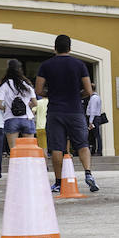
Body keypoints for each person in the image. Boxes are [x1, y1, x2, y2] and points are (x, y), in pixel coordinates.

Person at [35, 34, 98, 193]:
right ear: (70, 48)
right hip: (75, 110)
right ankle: (88, 173)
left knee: (57, 148)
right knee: (83, 144)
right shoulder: (79, 65)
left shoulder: (46, 65)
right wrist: (77, 95)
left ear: (55, 48)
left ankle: (58, 182)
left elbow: (38, 90)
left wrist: (52, 95)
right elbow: (89, 91)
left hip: (55, 111)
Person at [0, 59, 37, 154]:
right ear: (20, 69)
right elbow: (35, 103)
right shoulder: (27, 84)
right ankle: (29, 168)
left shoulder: (4, 85)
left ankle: (16, 168)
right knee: (29, 149)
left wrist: (6, 108)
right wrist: (27, 107)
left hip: (11, 119)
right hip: (27, 118)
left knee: (14, 151)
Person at [86, 87, 105, 156]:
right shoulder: (96, 97)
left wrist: (90, 121)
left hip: (94, 118)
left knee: (96, 135)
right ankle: (94, 150)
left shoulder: (93, 98)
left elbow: (92, 110)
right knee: (94, 135)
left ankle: (98, 151)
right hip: (95, 117)